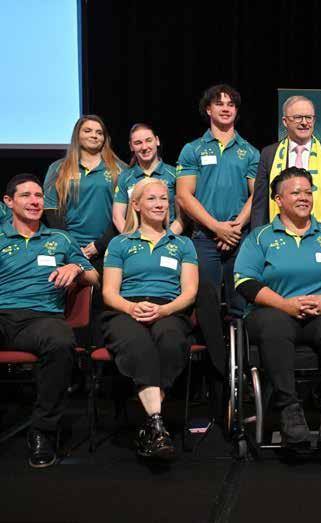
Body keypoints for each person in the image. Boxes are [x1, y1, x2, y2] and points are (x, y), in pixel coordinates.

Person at [234, 167, 321, 451]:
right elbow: (244, 281)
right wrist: (285, 304)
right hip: (275, 312)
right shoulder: (260, 237)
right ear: (278, 200)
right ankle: (289, 410)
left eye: (308, 192)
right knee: (274, 324)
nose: (304, 197)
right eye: (295, 193)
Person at [0, 173, 98, 468]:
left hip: (41, 319)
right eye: (26, 195)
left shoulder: (61, 238)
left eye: (39, 196)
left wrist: (75, 267)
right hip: (2, 314)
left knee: (60, 341)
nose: (34, 201)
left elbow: (95, 277)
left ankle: (42, 430)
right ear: (8, 202)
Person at [101, 178, 198, 461]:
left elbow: (190, 292)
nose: (159, 204)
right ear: (136, 205)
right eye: (152, 199)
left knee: (171, 340)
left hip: (170, 308)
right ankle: (156, 422)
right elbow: (109, 293)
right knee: (137, 343)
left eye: (164, 199)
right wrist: (131, 308)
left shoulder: (183, 244)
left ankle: (151, 424)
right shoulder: (120, 243)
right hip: (126, 308)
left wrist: (165, 310)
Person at [176, 84, 259, 381]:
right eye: (219, 103)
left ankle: (244, 376)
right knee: (205, 307)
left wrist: (234, 228)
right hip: (204, 239)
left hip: (239, 239)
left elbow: (256, 196)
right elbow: (184, 196)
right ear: (208, 109)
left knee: (241, 307)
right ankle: (215, 377)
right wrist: (216, 228)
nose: (225, 108)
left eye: (231, 104)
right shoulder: (193, 149)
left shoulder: (249, 151)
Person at [251, 95, 321, 238]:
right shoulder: (269, 154)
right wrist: (257, 239)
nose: (304, 123)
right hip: (278, 237)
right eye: (298, 117)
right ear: (285, 121)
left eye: (309, 117)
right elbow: (260, 205)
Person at [43, 115, 125, 262]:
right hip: (67, 248)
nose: (94, 135)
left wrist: (100, 245)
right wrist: (71, 245)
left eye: (99, 133)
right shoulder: (58, 168)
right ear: (77, 135)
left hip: (108, 247)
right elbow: (51, 211)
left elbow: (125, 214)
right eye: (88, 131)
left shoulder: (120, 170)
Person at [112, 123, 183, 235]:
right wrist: (132, 240)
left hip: (168, 239)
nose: (144, 147)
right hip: (135, 240)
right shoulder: (125, 177)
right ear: (131, 146)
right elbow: (118, 216)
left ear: (157, 141)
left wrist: (166, 239)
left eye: (148, 140)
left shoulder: (175, 174)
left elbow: (182, 217)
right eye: (138, 143)